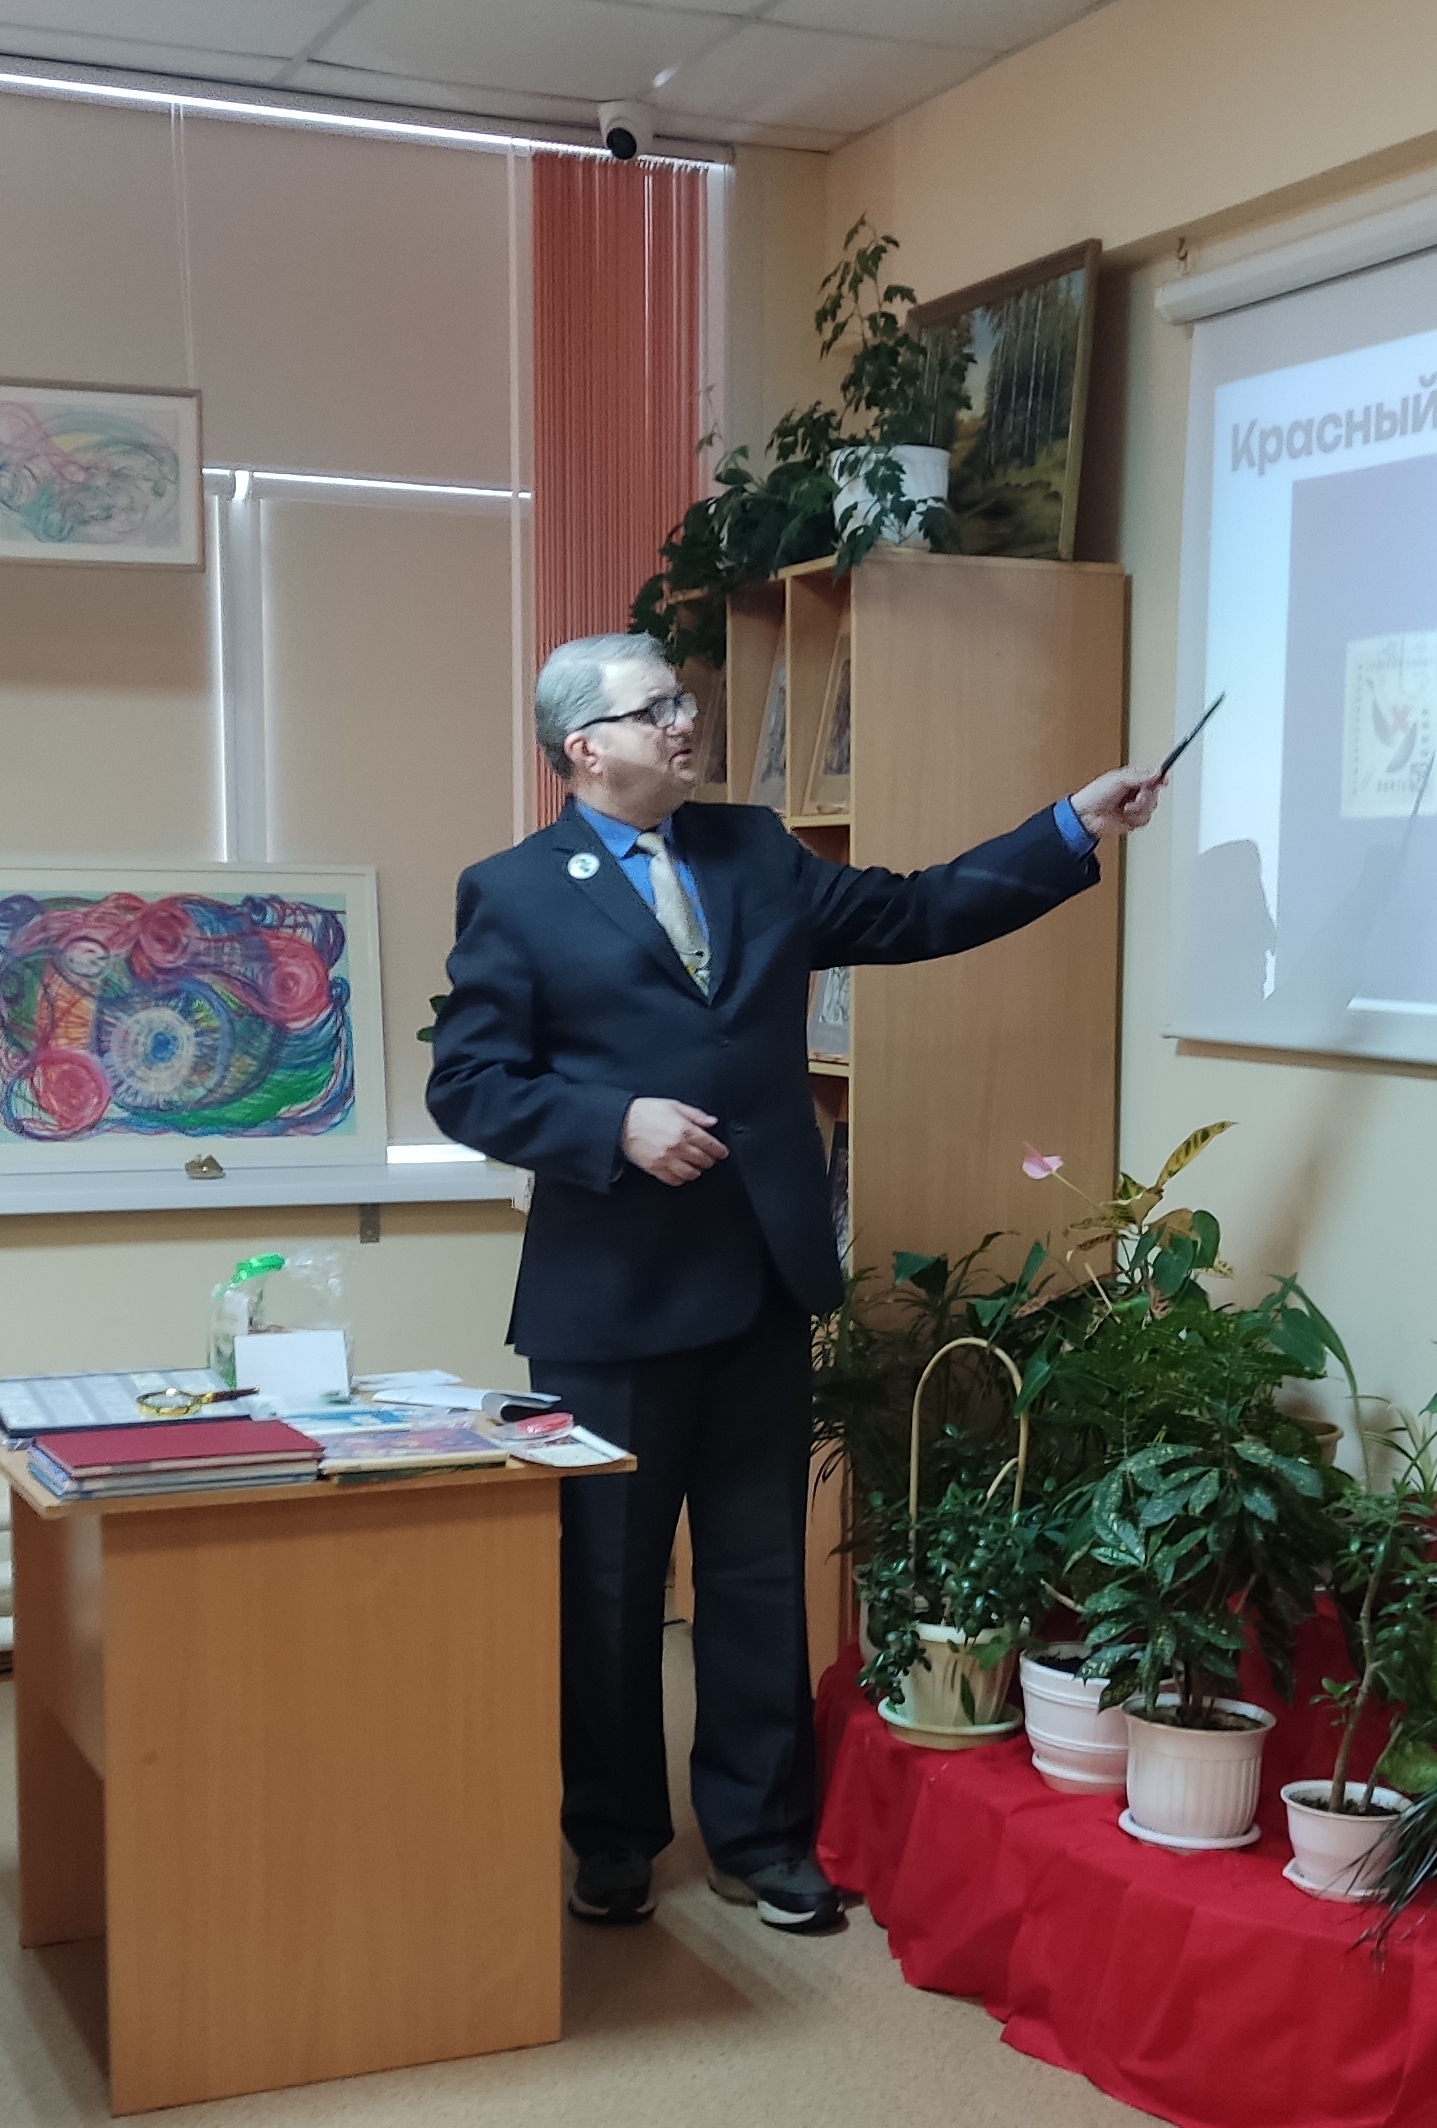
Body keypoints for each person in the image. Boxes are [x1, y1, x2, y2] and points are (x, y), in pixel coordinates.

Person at [427, 629, 1164, 1934]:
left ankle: (762, 1839)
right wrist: (611, 1124)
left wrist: (1069, 827)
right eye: (655, 709)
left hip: (758, 1278)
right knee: (608, 1587)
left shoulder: (753, 849)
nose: (686, 720)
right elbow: (469, 1084)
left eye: (685, 699)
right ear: (583, 748)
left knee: (758, 1574)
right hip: (609, 1304)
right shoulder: (515, 891)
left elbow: (916, 910)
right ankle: (612, 1837)